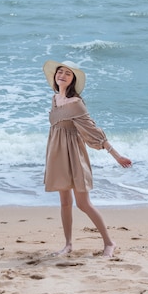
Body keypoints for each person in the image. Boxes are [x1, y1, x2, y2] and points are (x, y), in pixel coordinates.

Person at [43, 60, 132, 257]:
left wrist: (116, 155)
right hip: (56, 153)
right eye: (60, 72)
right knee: (64, 202)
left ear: (73, 79)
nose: (62, 75)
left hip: (73, 155)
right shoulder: (55, 98)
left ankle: (109, 242)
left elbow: (93, 131)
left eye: (68, 73)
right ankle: (67, 245)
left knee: (83, 203)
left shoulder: (76, 104)